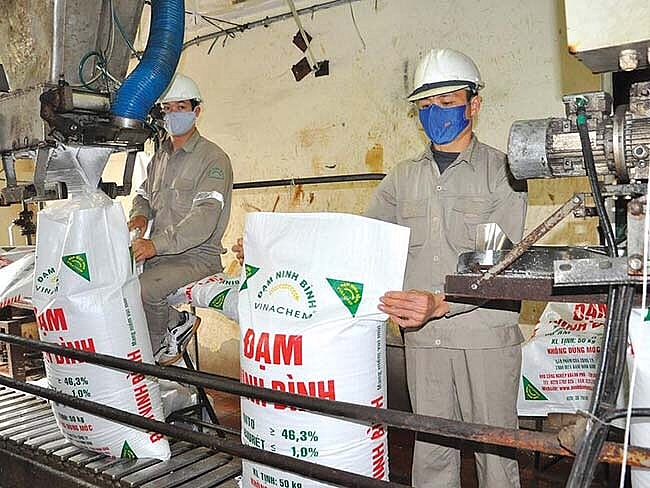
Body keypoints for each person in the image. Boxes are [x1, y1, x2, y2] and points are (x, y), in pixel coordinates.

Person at [365, 48, 527, 487]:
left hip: (484, 339)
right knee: (432, 452)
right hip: (424, 342)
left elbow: (498, 261)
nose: (435, 113)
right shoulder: (401, 177)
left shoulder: (504, 172)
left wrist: (438, 303)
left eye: (447, 102)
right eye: (425, 105)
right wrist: (283, 250)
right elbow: (362, 239)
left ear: (474, 104)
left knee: (496, 454)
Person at [128, 73, 233, 366]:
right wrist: (138, 216)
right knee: (114, 284)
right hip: (160, 256)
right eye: (168, 108)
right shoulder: (159, 157)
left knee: (144, 289)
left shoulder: (213, 159)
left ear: (196, 111)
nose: (173, 114)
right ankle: (176, 321)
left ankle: (151, 357)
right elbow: (143, 196)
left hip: (197, 257)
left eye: (181, 107)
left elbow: (204, 219)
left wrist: (156, 245)